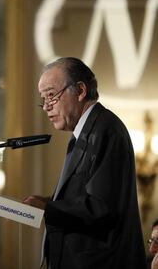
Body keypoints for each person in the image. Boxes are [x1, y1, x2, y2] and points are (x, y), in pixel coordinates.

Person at [23, 57, 146, 269]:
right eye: (43, 99)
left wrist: (48, 208)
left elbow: (101, 205)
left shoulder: (106, 130)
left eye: (51, 96)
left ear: (80, 90)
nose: (45, 107)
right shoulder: (85, 133)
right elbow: (82, 195)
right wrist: (48, 200)